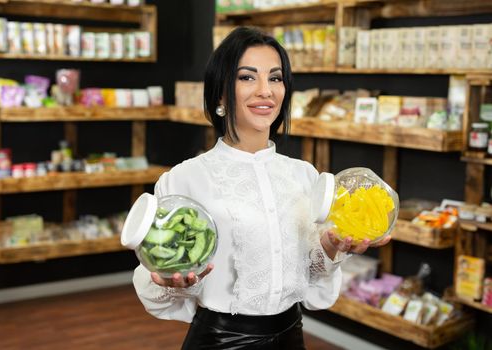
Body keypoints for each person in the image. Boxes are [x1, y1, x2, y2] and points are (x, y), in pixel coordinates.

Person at [132, 26, 391, 349]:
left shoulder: (304, 175)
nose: (265, 90)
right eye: (247, 77)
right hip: (220, 340)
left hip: (291, 336)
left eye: (275, 78)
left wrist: (331, 248)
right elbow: (160, 270)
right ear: (221, 93)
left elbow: (311, 272)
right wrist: (175, 282)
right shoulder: (185, 179)